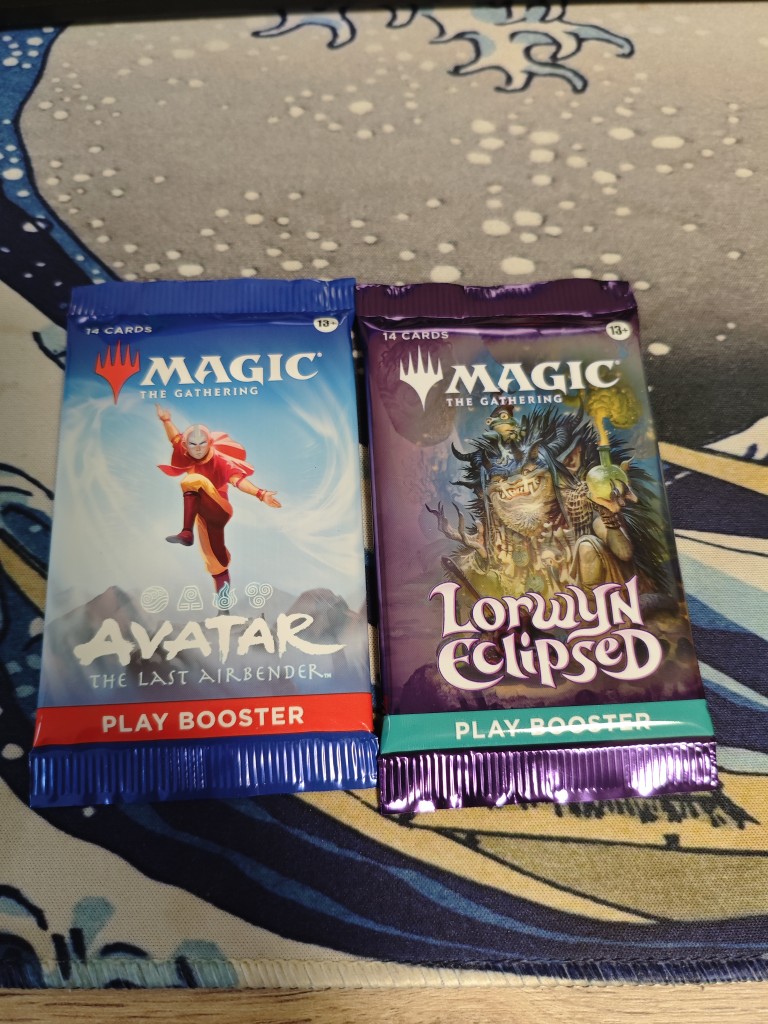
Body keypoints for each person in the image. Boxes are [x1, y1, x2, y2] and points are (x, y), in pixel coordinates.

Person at [155, 404, 280, 596]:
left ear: (210, 443)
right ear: (186, 446)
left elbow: (238, 481)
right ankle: (224, 604)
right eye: (193, 445)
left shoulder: (220, 461)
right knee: (215, 562)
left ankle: (186, 532)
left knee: (192, 480)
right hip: (201, 513)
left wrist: (261, 494)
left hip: (219, 508)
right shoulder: (185, 452)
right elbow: (175, 438)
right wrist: (166, 420)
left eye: (202, 443)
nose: (198, 448)